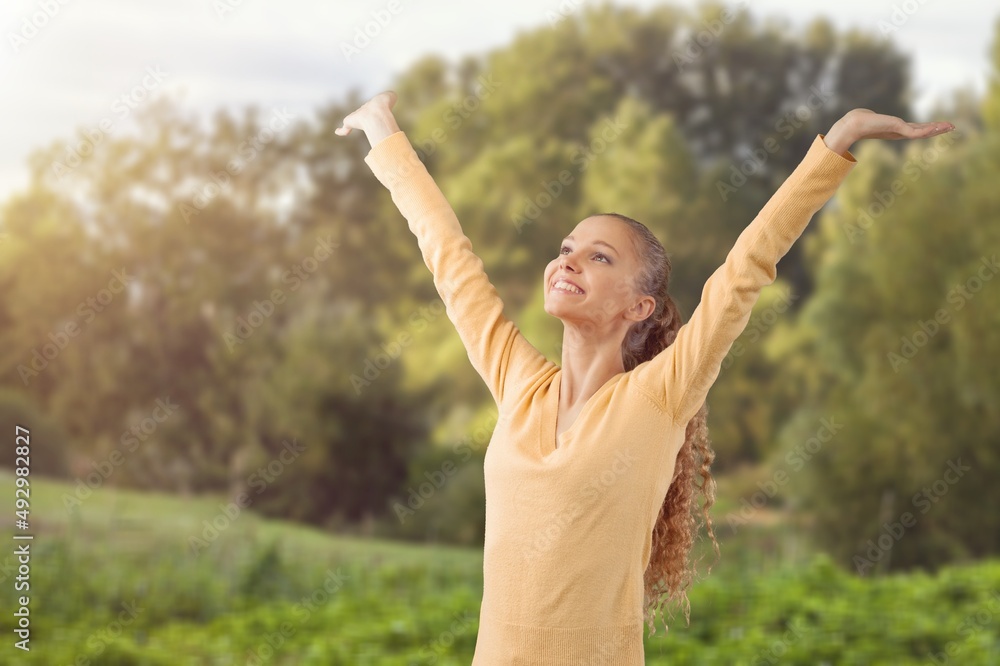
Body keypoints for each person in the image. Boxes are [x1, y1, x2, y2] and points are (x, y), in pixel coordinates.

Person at [335, 90, 954, 664]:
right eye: (567, 247)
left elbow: (746, 269)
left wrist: (838, 141)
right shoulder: (519, 383)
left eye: (598, 257)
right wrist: (383, 131)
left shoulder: (658, 396)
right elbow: (450, 260)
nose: (567, 260)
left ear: (640, 307)